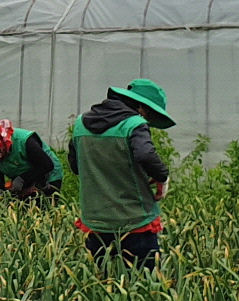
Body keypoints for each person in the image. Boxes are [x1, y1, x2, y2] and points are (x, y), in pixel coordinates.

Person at [68, 79, 176, 269]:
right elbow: (145, 154)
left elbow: (76, 166)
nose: (147, 120)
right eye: (149, 115)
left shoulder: (80, 124)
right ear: (141, 107)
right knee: (145, 283)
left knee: (102, 282)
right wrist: (162, 177)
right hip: (135, 221)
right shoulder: (134, 124)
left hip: (96, 220)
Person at [0, 119, 66, 203]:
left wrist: (21, 179)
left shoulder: (25, 142)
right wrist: (1, 194)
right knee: (21, 208)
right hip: (24, 175)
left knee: (41, 206)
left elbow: (47, 165)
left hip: (47, 174)